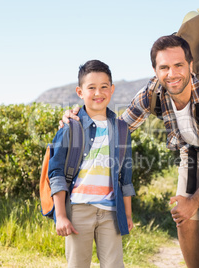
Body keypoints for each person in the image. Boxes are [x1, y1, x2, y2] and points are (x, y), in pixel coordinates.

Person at [62, 35, 199, 268]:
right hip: (195, 150)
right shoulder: (152, 92)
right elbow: (119, 128)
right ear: (155, 70)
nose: (172, 74)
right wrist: (78, 119)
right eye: (164, 67)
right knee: (183, 217)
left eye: (178, 65)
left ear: (191, 66)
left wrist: (194, 201)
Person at [49, 59, 135, 267]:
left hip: (111, 212)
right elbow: (57, 172)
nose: (98, 93)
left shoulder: (122, 130)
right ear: (80, 92)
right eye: (91, 88)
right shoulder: (71, 127)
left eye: (104, 87)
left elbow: (126, 176)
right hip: (79, 210)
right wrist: (60, 215)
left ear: (112, 89)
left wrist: (128, 214)